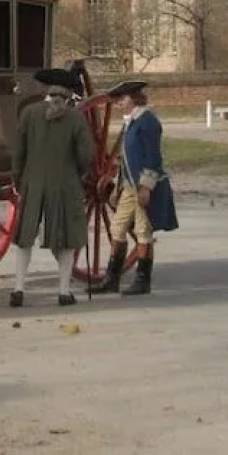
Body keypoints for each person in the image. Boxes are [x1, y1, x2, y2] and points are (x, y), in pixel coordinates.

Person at [10, 66, 96, 307]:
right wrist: (75, 174)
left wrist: (19, 180)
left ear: (46, 90)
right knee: (67, 239)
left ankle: (18, 289)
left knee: (25, 237)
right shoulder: (76, 118)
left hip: (33, 182)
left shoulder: (29, 113)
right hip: (65, 184)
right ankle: (64, 291)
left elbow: (19, 152)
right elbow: (87, 155)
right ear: (68, 94)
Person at [93, 79, 178, 296]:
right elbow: (126, 159)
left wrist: (146, 187)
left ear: (133, 98)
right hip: (129, 186)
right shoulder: (130, 121)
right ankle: (112, 278)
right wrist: (118, 188)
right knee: (117, 228)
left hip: (144, 185)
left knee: (143, 231)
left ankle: (143, 280)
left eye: (122, 98)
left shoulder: (148, 122)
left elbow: (153, 158)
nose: (120, 103)